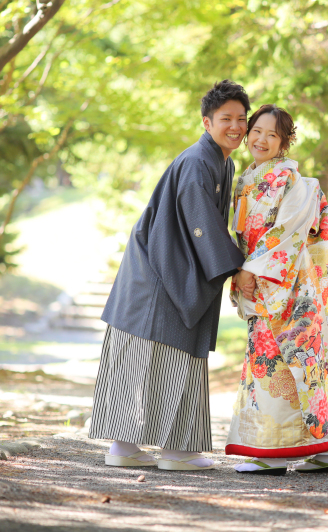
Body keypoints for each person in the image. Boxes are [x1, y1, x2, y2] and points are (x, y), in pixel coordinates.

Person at [89, 80, 257, 471]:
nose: (236, 127)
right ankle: (175, 451)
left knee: (141, 360)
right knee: (164, 356)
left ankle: (126, 447)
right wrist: (235, 267)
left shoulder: (221, 160)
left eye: (241, 120)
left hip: (164, 268)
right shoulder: (199, 163)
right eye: (226, 119)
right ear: (206, 122)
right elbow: (202, 227)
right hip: (162, 273)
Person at [225, 104, 328, 475]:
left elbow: (287, 233)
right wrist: (241, 268)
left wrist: (249, 270)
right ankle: (326, 450)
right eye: (257, 131)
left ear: (284, 142)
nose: (261, 139)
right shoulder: (247, 179)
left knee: (284, 363)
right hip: (264, 280)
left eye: (272, 134)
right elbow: (242, 235)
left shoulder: (294, 182)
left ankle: (270, 451)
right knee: (298, 364)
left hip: (287, 286)